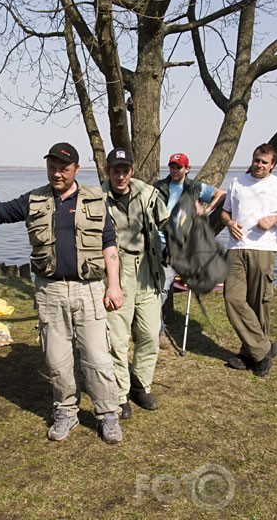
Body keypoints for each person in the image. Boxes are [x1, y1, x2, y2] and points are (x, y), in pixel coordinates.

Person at [0, 142, 124, 444]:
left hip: (90, 291)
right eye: (52, 167)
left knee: (97, 358)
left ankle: (108, 414)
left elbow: (109, 243)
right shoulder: (34, 199)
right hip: (50, 291)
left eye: (63, 168)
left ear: (75, 170)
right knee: (56, 360)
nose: (57, 173)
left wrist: (114, 284)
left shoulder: (95, 199)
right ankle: (65, 411)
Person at [101, 148, 169, 420]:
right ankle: (120, 395)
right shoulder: (96, 199)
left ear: (132, 170)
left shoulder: (149, 195)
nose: (121, 175)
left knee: (150, 334)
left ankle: (141, 385)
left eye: (125, 170)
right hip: (117, 274)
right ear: (108, 171)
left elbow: (169, 223)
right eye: (116, 170)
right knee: (117, 340)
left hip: (148, 273)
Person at [221, 143, 277, 377]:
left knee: (258, 303)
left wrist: (276, 220)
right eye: (256, 160)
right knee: (233, 298)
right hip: (236, 248)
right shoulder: (237, 183)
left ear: (272, 164)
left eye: (264, 162)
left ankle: (249, 352)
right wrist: (229, 224)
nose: (259, 165)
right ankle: (263, 350)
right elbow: (225, 212)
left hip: (263, 249)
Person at [154, 152, 225, 343]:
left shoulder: (195, 187)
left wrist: (206, 210)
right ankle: (158, 331)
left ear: (187, 169)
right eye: (172, 166)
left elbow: (221, 194)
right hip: (162, 241)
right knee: (161, 289)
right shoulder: (158, 186)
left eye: (179, 167)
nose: (175, 170)